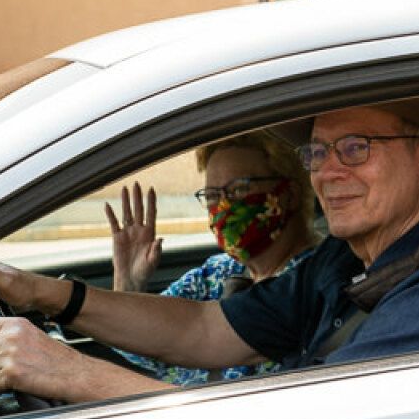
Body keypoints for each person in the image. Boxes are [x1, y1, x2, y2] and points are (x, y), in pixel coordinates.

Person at [0, 97, 419, 403]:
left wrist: (70, 374)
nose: (329, 172)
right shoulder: (347, 261)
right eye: (317, 154)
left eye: (355, 147)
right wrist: (42, 293)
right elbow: (203, 328)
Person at [103, 132, 317, 386]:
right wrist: (129, 287)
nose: (224, 207)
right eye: (213, 196)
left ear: (288, 194)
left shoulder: (317, 279)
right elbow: (146, 345)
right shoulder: (215, 274)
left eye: (239, 189)